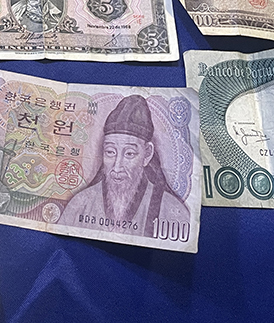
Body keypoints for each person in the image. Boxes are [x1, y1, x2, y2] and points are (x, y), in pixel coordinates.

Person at [60, 95, 189, 236]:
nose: (117, 168)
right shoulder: (80, 204)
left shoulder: (172, 210)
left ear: (147, 154)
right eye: (110, 152)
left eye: (129, 153)